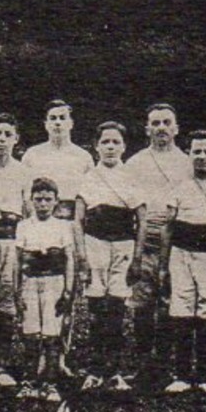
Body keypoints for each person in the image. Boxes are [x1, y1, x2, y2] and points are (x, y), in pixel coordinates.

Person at [73, 121, 148, 391]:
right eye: (105, 142)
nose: (110, 147)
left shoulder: (131, 177)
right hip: (95, 244)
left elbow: (142, 219)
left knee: (116, 307)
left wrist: (137, 257)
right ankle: (94, 369)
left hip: (123, 246)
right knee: (95, 308)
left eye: (116, 142)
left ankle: (114, 370)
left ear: (125, 147)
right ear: (96, 147)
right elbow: (78, 220)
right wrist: (82, 256)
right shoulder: (89, 177)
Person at [122, 104, 194, 381]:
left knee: (169, 301)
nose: (161, 128)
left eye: (167, 122)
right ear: (147, 128)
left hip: (176, 241)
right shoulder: (136, 162)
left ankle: (165, 363)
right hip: (144, 239)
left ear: (176, 128)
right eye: (156, 123)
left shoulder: (187, 163)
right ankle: (142, 362)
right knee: (141, 302)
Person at [160, 131, 206, 395]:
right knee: (182, 306)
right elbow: (168, 227)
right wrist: (163, 264)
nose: (202, 157)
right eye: (196, 152)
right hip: (181, 254)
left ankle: (204, 374)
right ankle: (181, 373)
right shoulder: (179, 186)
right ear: (188, 154)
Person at [0, 113, 32, 387]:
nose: (1, 139)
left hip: (12, 239)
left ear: (15, 139)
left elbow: (27, 210)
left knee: (8, 299)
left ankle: (1, 363)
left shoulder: (22, 171)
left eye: (7, 135)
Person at [16, 178, 78, 401]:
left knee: (52, 334)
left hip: (54, 283)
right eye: (38, 199)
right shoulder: (23, 226)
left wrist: (68, 291)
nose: (42, 204)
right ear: (31, 200)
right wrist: (17, 291)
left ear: (56, 202)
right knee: (31, 334)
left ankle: (50, 384)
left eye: (47, 199)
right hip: (31, 282)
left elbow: (69, 260)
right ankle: (29, 382)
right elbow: (17, 261)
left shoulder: (63, 226)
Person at [21, 99, 93, 219]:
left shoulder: (84, 157)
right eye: (53, 118)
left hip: (73, 220)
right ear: (46, 124)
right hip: (40, 220)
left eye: (62, 118)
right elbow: (25, 194)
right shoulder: (31, 155)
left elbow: (90, 194)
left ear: (71, 123)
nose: (57, 122)